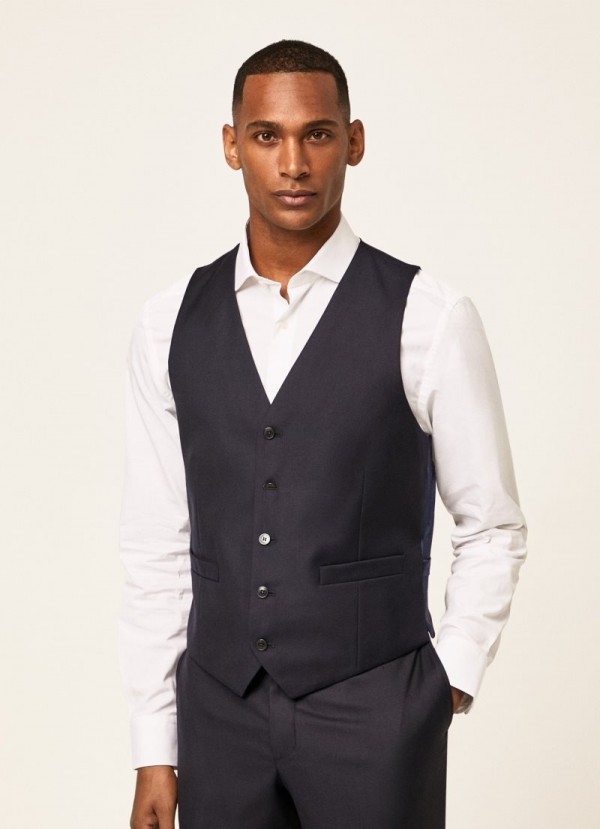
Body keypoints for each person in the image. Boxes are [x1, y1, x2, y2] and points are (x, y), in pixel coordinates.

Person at [118, 39, 527, 829]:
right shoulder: (168, 323)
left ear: (354, 141)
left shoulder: (429, 316)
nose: (294, 164)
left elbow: (493, 523)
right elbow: (155, 542)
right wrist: (153, 745)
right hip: (218, 716)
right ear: (232, 146)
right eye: (266, 136)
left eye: (317, 134)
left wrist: (444, 683)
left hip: (376, 713)